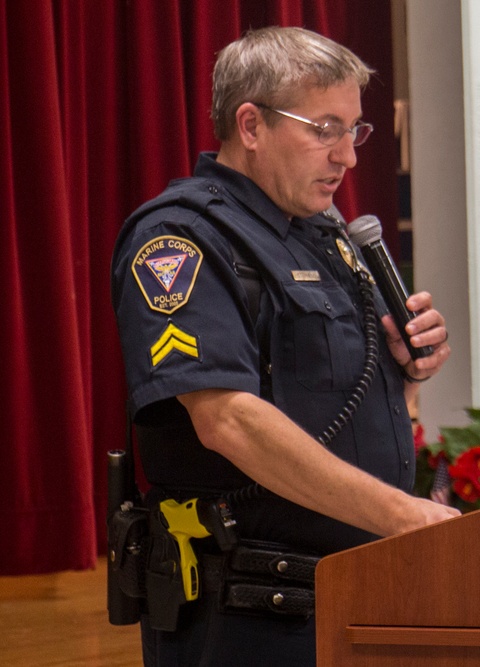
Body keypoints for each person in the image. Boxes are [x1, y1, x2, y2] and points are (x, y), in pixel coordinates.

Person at [110, 26, 460, 666]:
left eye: (355, 130)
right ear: (250, 124)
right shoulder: (180, 239)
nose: (348, 156)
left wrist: (407, 367)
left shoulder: (325, 236)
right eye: (325, 128)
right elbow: (225, 419)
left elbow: (329, 401)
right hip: (247, 611)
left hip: (352, 591)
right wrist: (403, 515)